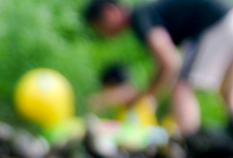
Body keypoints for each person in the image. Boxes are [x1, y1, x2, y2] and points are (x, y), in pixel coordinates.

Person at [84, 0, 233, 136]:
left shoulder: (140, 17)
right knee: (227, 91)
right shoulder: (148, 13)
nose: (104, 35)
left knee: (182, 87)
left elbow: (170, 62)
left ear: (109, 12)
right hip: (227, 19)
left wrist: (149, 96)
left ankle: (190, 143)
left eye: (99, 27)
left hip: (216, 24)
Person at [90, 63, 160, 126]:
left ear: (112, 84)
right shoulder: (121, 107)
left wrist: (103, 98)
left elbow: (128, 93)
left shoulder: (139, 98)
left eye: (107, 89)